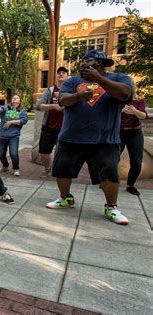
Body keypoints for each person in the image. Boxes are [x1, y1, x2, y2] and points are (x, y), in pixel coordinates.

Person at [47, 49, 133, 225]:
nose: (84, 64)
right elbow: (62, 100)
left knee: (109, 174)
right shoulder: (73, 81)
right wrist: (79, 96)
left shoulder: (118, 78)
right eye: (83, 61)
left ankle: (111, 207)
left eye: (89, 61)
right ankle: (66, 198)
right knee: (62, 170)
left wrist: (99, 79)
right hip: (71, 137)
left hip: (104, 139)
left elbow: (125, 94)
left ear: (100, 63)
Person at [35, 67, 69, 178]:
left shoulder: (71, 90)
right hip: (49, 126)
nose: (61, 74)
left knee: (62, 152)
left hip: (65, 127)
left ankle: (61, 172)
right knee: (44, 151)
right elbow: (39, 106)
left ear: (67, 76)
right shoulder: (50, 90)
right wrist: (54, 106)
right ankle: (47, 168)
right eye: (59, 72)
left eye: (64, 72)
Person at [120, 93, 147, 196]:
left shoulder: (139, 100)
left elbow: (144, 116)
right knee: (113, 159)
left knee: (136, 162)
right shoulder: (117, 98)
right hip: (119, 132)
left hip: (135, 133)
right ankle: (107, 180)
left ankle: (130, 185)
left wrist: (135, 111)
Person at [0, 95, 28, 176]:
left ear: (20, 101)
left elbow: (24, 120)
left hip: (14, 136)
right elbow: (0, 110)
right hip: (2, 135)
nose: (15, 98)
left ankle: (16, 168)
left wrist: (11, 122)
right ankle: (5, 165)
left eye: (17, 97)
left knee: (13, 153)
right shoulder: (6, 108)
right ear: (11, 100)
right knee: (1, 154)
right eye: (13, 97)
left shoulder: (22, 111)